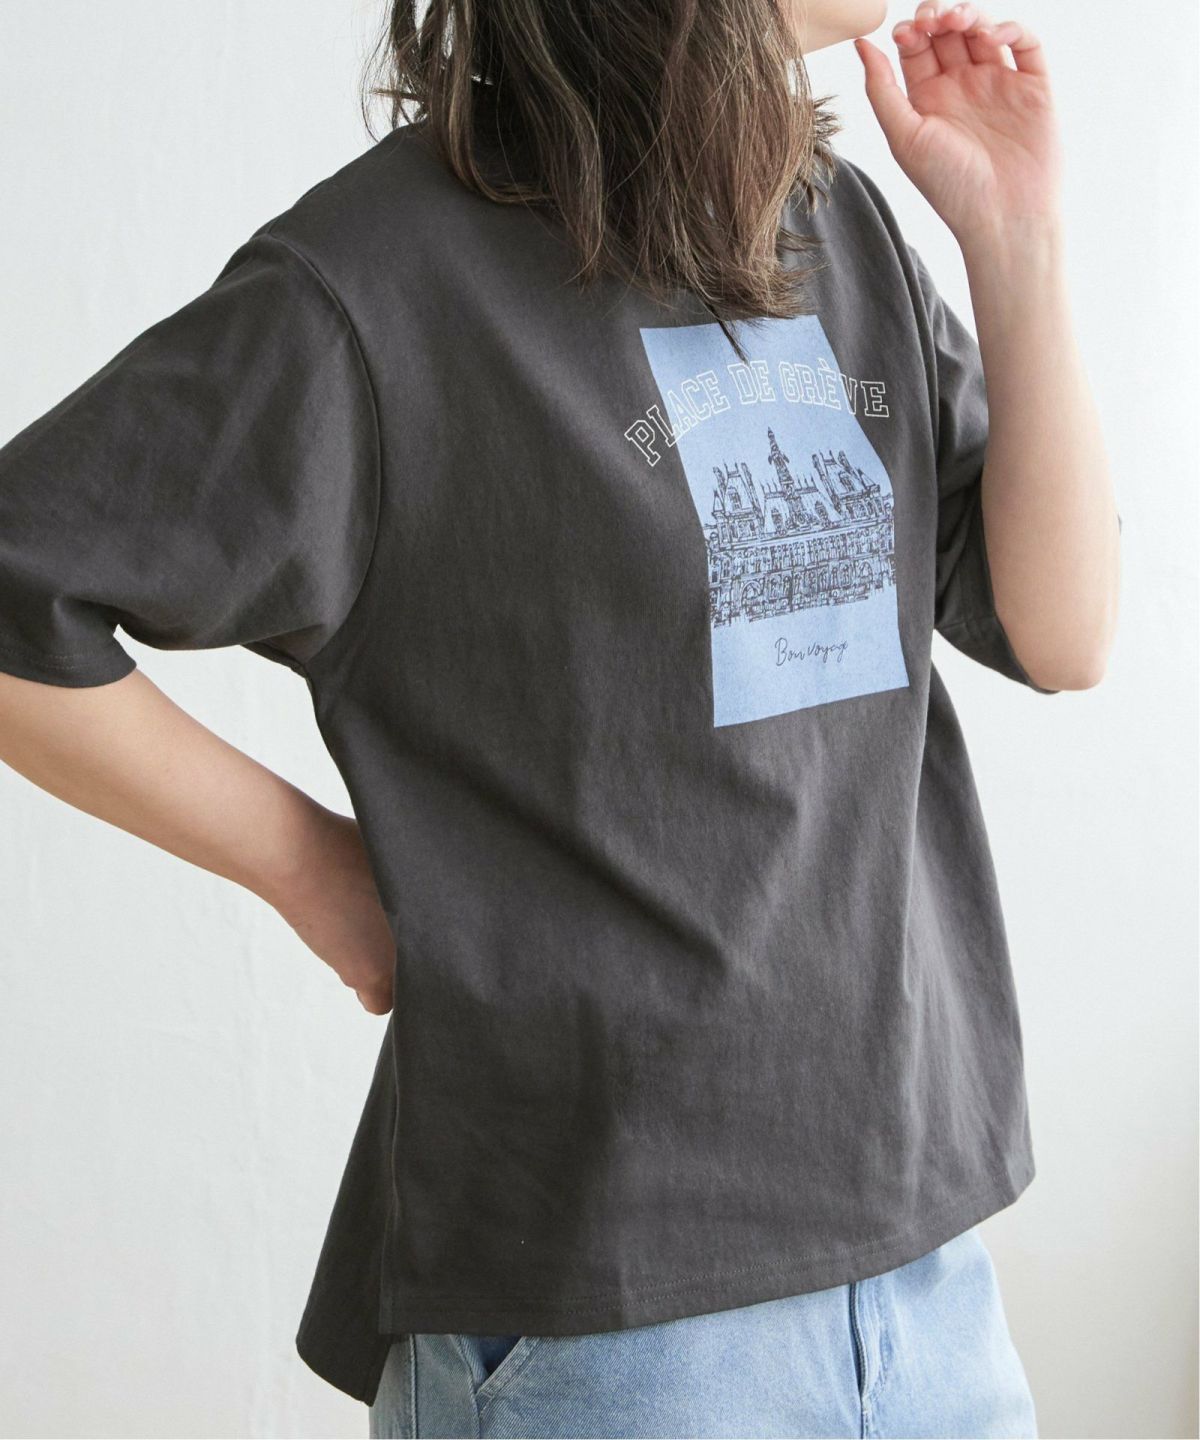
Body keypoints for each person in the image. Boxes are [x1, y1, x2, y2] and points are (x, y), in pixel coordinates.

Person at [0, 0, 1121, 1434]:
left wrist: (1017, 242)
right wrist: (315, 871)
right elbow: (20, 597)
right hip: (610, 1322)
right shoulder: (377, 282)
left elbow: (1063, 632)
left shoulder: (830, 220)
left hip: (923, 1278)